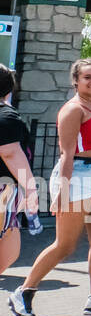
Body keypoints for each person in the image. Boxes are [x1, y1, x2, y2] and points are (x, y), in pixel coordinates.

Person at [9, 59, 91, 316]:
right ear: (76, 81)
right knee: (65, 245)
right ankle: (24, 291)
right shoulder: (73, 109)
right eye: (87, 77)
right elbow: (67, 154)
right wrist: (62, 191)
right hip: (77, 176)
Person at [0, 65, 38, 279]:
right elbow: (10, 153)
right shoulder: (6, 116)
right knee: (9, 250)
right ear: (9, 89)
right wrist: (31, 189)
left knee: (11, 247)